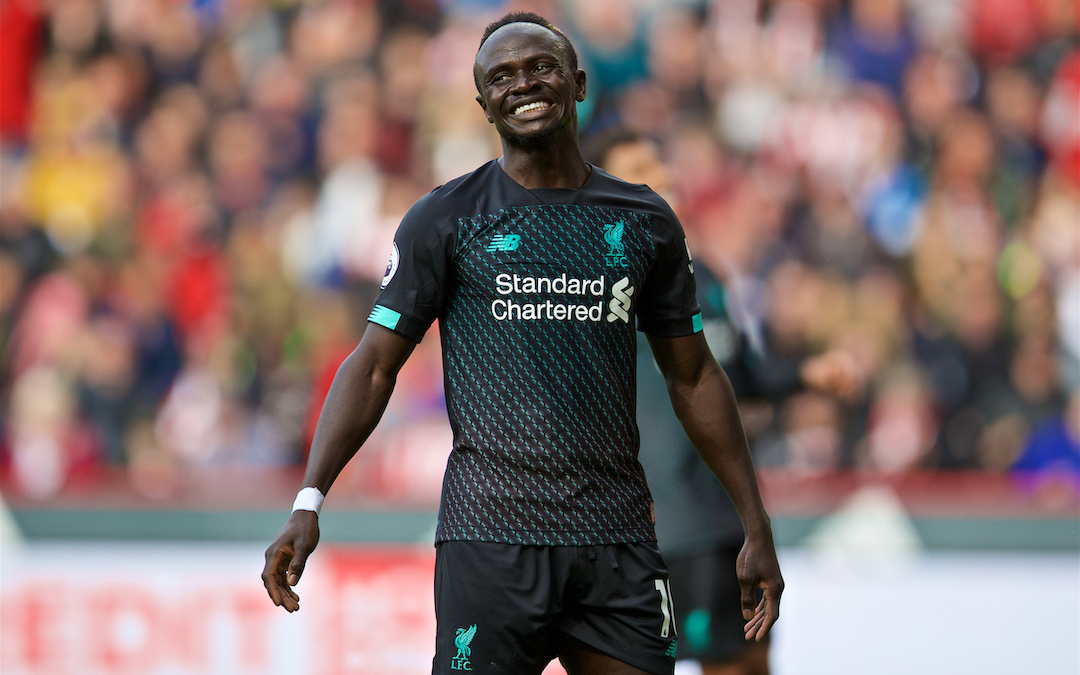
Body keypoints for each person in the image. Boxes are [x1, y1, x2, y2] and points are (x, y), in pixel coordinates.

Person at [262, 13, 783, 675]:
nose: (524, 84)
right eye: (501, 76)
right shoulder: (445, 219)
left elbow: (696, 377)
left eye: (541, 67)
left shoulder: (644, 220)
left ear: (579, 82)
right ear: (483, 103)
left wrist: (754, 522)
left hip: (617, 542)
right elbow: (371, 367)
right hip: (490, 542)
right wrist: (310, 500)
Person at [586, 128, 860, 675]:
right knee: (712, 662)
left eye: (659, 165)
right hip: (669, 514)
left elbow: (732, 374)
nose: (660, 178)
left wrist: (805, 374)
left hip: (730, 507)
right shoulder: (600, 282)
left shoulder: (701, 273)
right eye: (639, 170)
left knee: (753, 658)